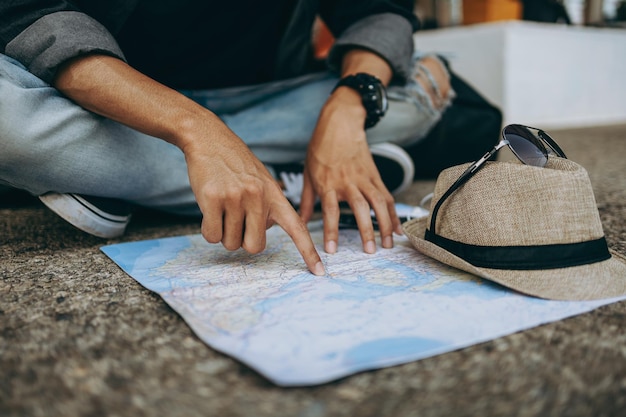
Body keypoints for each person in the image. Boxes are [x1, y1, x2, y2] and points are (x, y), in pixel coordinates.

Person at [0, 1, 454, 276]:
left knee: (416, 87)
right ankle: (282, 179)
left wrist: (347, 107)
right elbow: (30, 17)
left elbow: (378, 10)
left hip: (265, 102)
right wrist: (198, 130)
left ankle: (114, 180)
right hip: (104, 100)